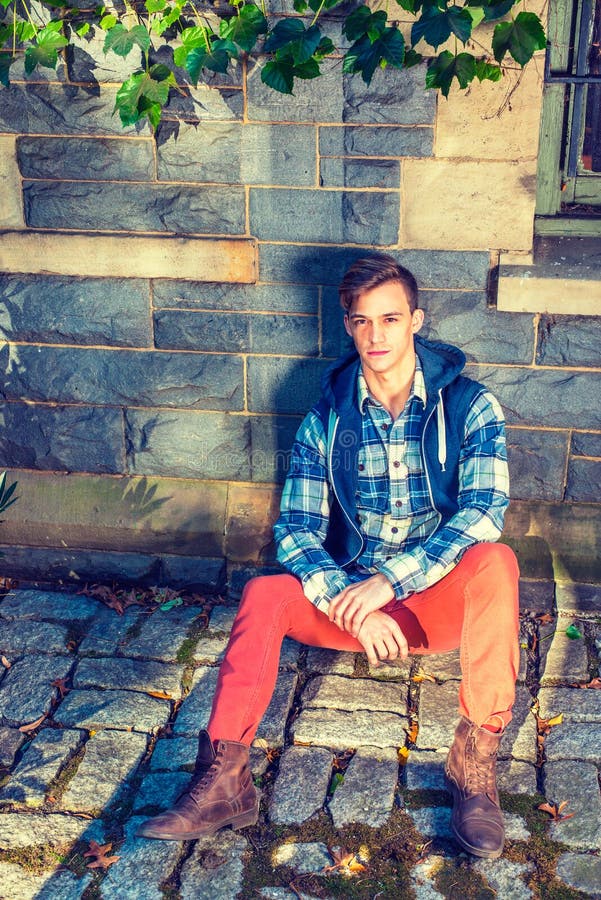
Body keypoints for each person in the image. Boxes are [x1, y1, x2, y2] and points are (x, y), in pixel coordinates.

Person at [139, 253, 520, 860]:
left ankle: (474, 766)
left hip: (435, 602)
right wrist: (354, 605)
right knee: (265, 592)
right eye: (362, 320)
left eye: (391, 319)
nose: (377, 335)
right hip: (351, 605)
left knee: (496, 561)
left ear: (416, 320)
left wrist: (389, 584)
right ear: (348, 325)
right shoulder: (328, 417)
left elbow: (482, 514)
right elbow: (295, 529)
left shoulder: (471, 407)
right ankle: (225, 779)